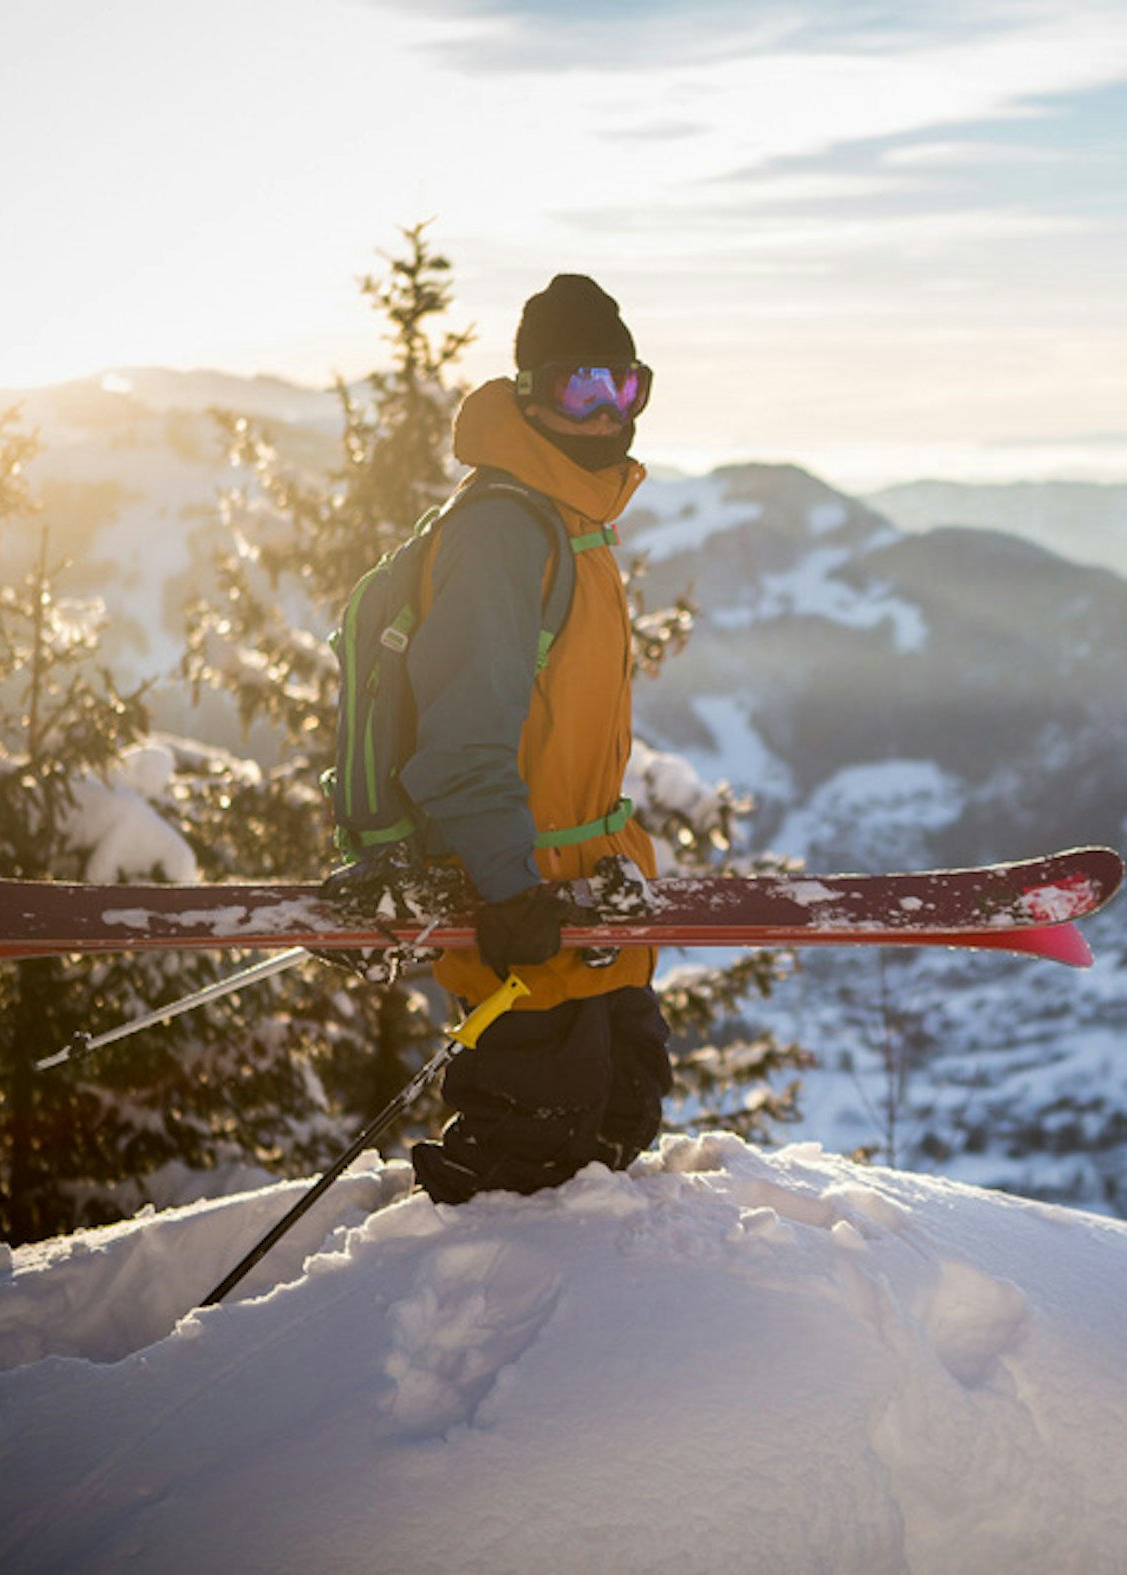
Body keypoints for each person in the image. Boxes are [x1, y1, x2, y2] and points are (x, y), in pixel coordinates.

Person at [396, 273, 672, 1203]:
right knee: (528, 1173)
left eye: (624, 387)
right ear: (530, 394)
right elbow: (462, 733)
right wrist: (509, 890)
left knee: (614, 1137)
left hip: (590, 897)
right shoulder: (506, 535)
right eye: (577, 388)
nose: (605, 414)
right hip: (526, 907)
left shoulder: (572, 521)